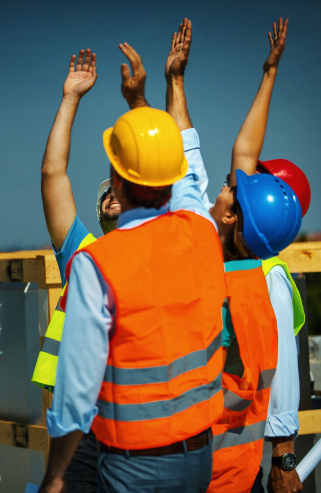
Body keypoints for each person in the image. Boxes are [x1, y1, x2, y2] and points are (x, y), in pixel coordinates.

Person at [39, 41, 227, 493]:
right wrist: (140, 104)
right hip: (199, 455)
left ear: (121, 184)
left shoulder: (94, 262)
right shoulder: (202, 233)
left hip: (131, 460)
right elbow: (184, 177)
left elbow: (78, 387)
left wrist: (55, 476)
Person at [164, 18, 304, 493]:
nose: (224, 185)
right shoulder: (259, 280)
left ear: (229, 218)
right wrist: (269, 73)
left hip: (201, 470)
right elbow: (243, 154)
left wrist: (168, 86)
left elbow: (183, 163)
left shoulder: (207, 260)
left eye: (227, 189)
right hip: (238, 470)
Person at [32, 48, 118, 493]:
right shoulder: (82, 252)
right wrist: (70, 99)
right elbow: (53, 175)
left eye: (121, 187)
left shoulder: (161, 251)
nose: (113, 195)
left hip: (134, 422)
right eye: (105, 194)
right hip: (82, 427)